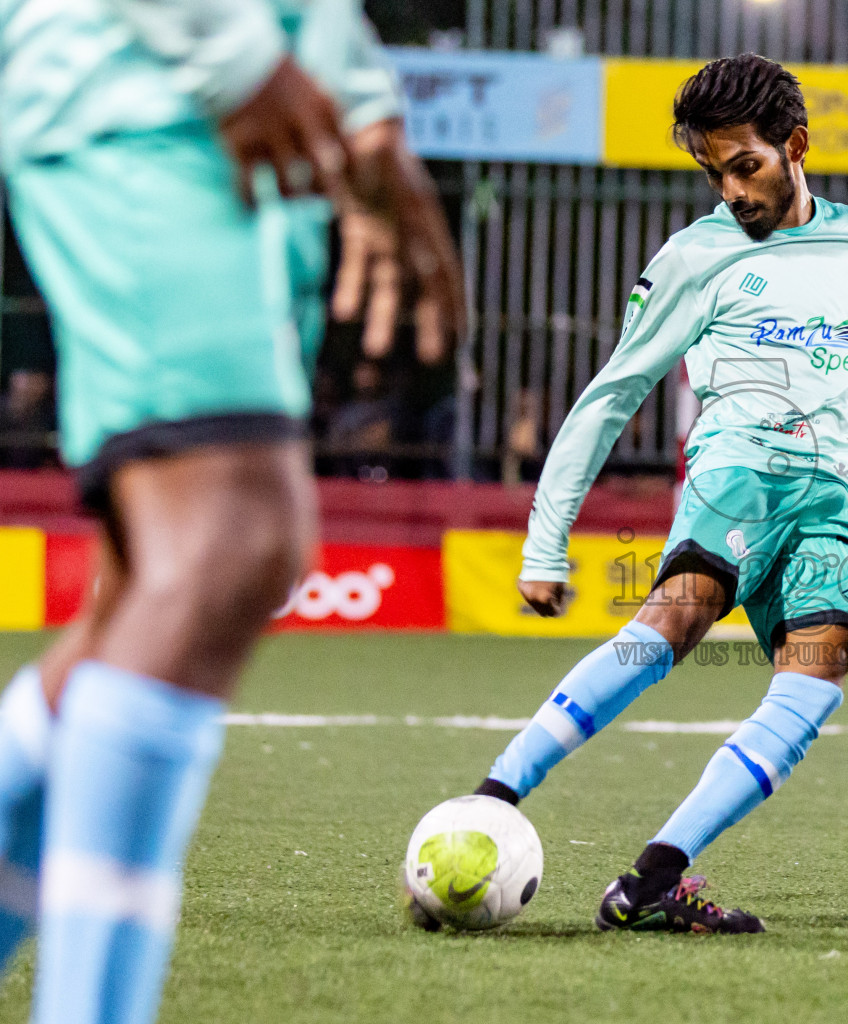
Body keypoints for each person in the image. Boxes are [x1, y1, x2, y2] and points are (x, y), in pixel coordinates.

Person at [445, 54, 848, 935]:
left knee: (820, 667)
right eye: (714, 172)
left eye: (744, 166)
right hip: (739, 468)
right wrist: (545, 542)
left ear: (795, 146)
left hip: (832, 499)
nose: (731, 190)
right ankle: (493, 797)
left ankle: (650, 885)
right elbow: (612, 392)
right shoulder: (696, 255)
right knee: (678, 619)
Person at [0, 2, 463, 1022]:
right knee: (231, 538)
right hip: (154, 87)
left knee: (133, 605)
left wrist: (363, 106)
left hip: (217, 104)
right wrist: (234, 48)